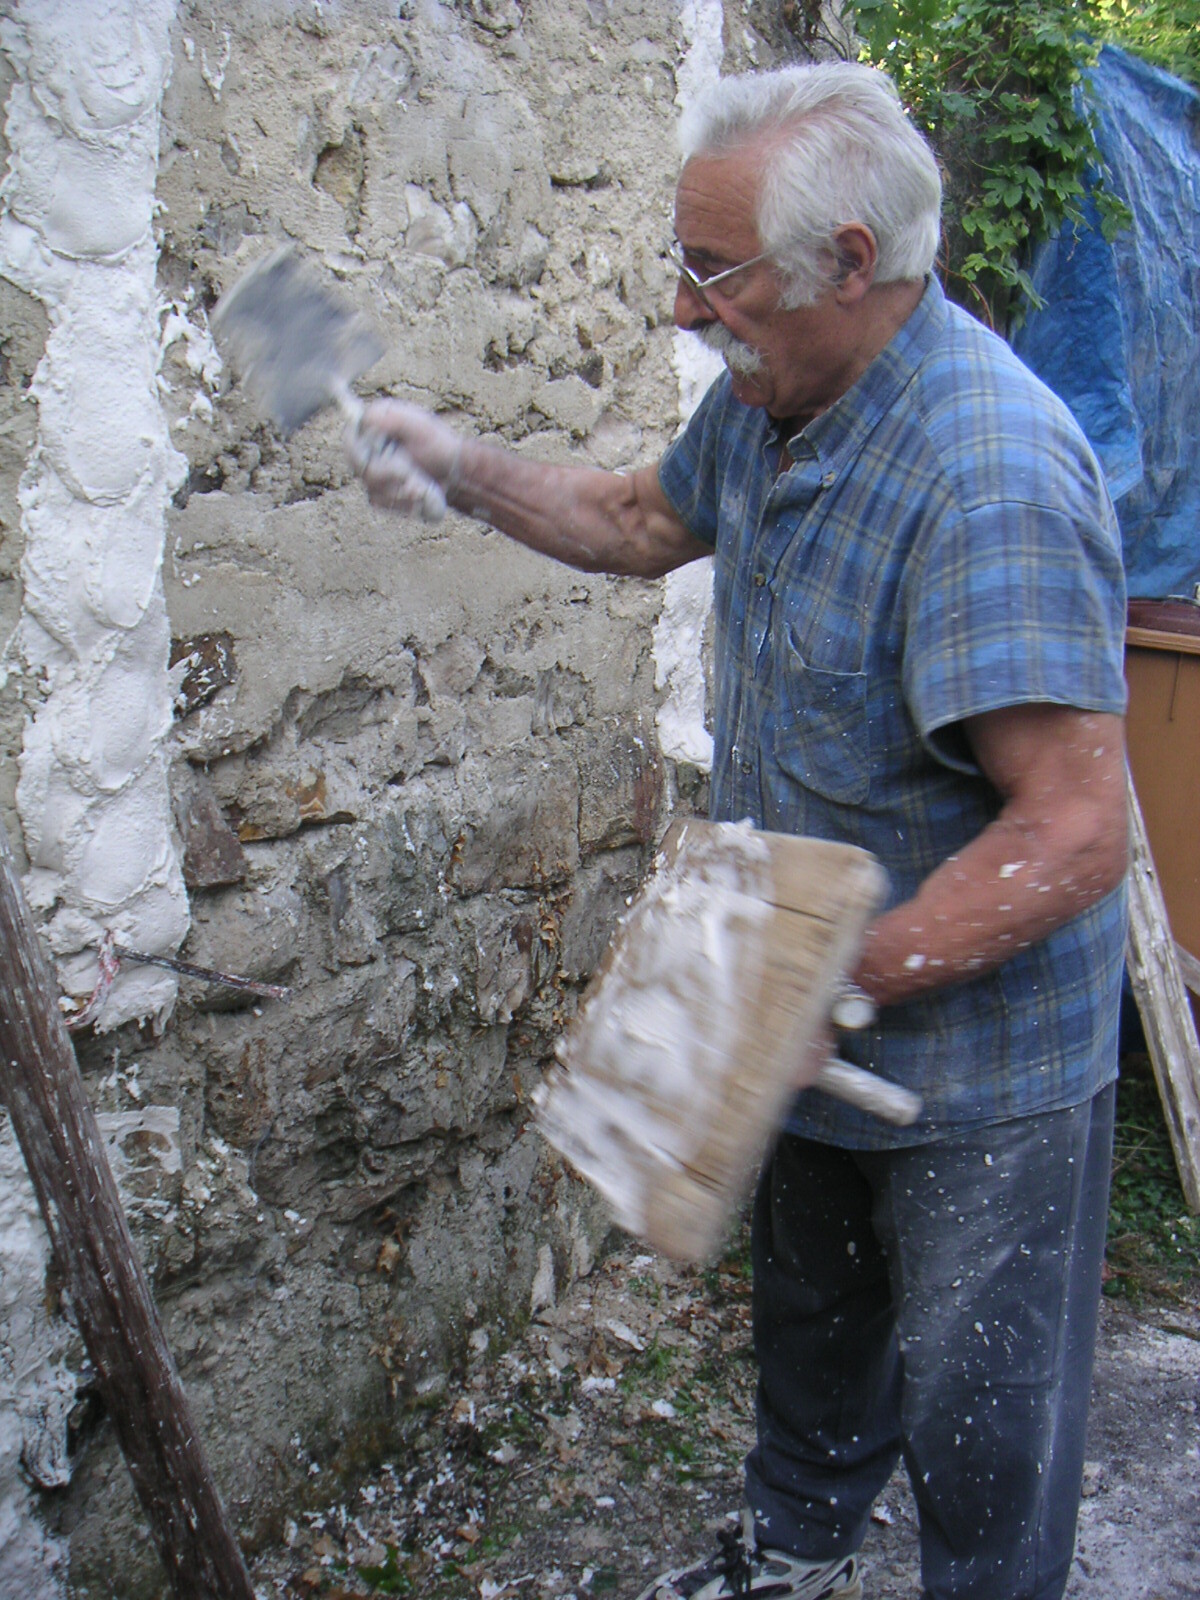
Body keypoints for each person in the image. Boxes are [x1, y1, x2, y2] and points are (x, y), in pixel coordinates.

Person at [349, 61, 1129, 1600]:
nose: (685, 308)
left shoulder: (990, 475)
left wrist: (831, 980)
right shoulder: (776, 404)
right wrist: (459, 468)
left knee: (982, 1426)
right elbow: (640, 522)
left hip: (980, 1073)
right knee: (815, 1346)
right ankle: (794, 1556)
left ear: (851, 261)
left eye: (715, 273)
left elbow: (1078, 828)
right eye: (682, 262)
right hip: (809, 1004)